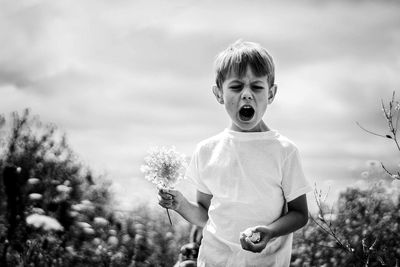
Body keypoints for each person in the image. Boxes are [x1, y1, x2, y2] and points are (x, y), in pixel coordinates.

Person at [158, 40, 312, 266]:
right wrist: (180, 204)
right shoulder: (206, 151)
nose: (247, 94)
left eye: (257, 87)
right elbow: (205, 215)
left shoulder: (284, 151)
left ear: (271, 93)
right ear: (219, 94)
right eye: (236, 87)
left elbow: (299, 214)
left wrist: (269, 232)